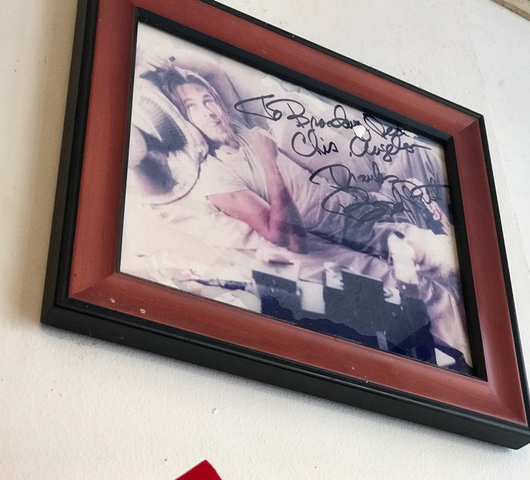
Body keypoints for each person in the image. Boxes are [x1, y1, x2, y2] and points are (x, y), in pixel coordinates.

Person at [127, 64, 473, 372]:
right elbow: (286, 238)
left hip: (354, 223)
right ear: (185, 126)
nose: (209, 112)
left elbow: (213, 71)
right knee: (428, 294)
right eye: (191, 108)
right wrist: (270, 163)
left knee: (440, 253)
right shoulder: (216, 176)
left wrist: (171, 66)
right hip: (315, 253)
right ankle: (464, 373)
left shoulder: (245, 132)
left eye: (208, 100)